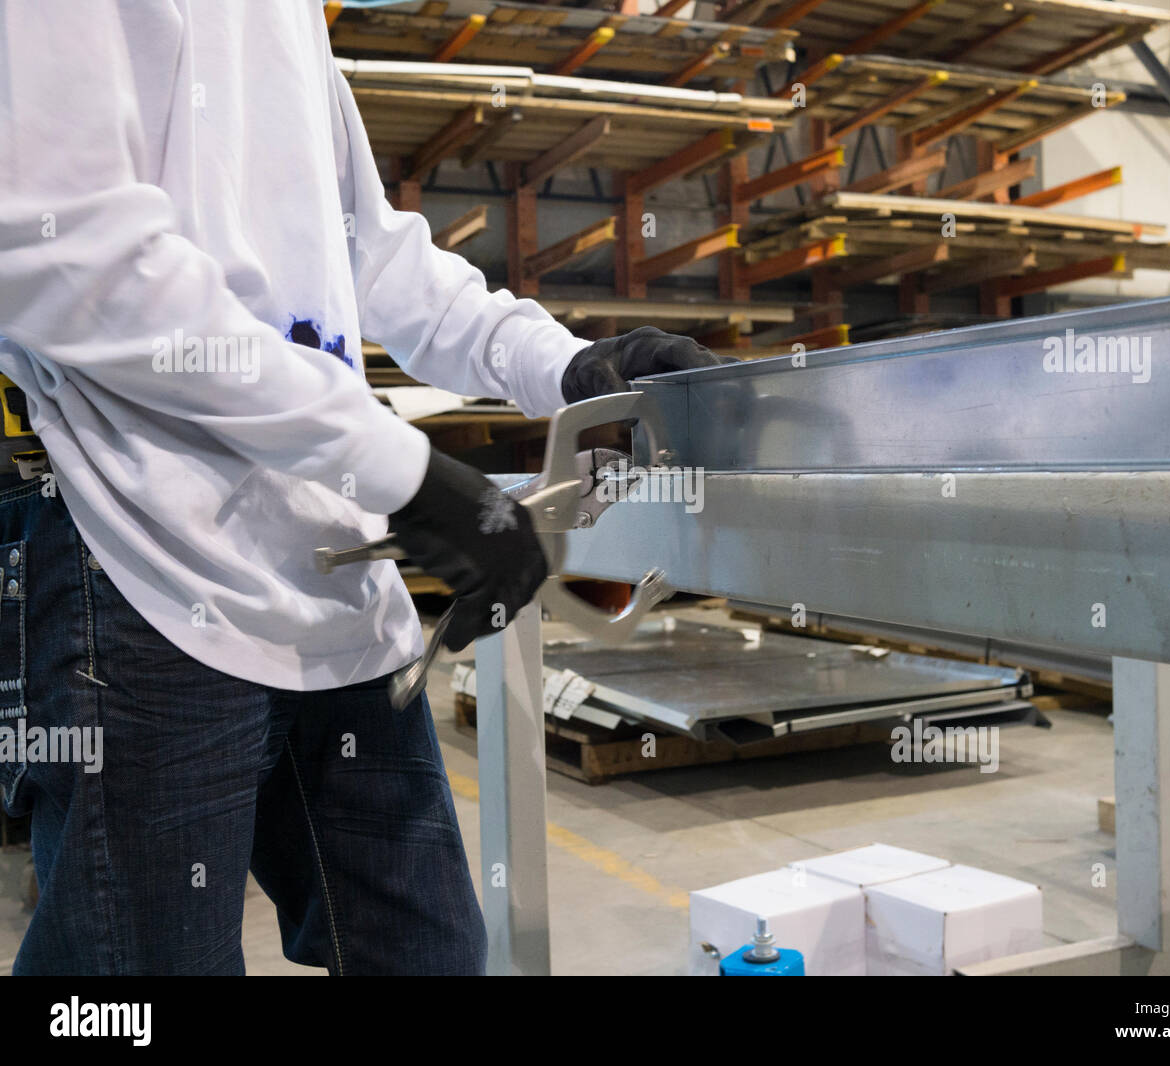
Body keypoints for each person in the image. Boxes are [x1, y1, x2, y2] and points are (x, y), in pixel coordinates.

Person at [0, 1, 722, 975]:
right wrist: (406, 476)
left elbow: (373, 253)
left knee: (425, 957)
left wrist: (564, 367)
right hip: (143, 569)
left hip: (334, 589)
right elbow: (66, 255)